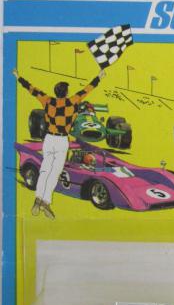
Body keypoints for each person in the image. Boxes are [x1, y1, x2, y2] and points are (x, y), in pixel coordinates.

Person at [13, 68, 106, 219]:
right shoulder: (72, 101)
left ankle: (38, 199)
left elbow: (32, 89)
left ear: (56, 92)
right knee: (55, 172)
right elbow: (87, 89)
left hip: (49, 139)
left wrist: (18, 77)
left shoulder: (47, 100)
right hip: (62, 141)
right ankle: (45, 201)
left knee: (45, 170)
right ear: (66, 92)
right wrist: (99, 77)